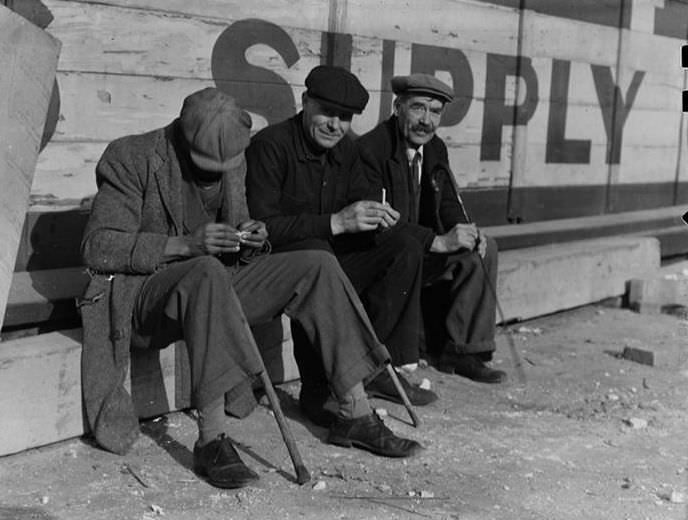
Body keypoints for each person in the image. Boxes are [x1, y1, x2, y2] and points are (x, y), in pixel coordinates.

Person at [79, 88, 423, 490]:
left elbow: (239, 230)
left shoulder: (234, 161)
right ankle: (211, 440)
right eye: (205, 166)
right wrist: (187, 244)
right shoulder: (132, 157)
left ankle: (354, 412)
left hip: (213, 288)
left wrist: (251, 238)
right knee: (204, 269)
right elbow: (97, 247)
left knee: (317, 263)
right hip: (146, 297)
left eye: (223, 167)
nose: (215, 175)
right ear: (181, 138)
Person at [245, 66, 437, 424]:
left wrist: (375, 213)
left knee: (405, 246)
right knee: (318, 261)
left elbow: (361, 194)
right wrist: (337, 222)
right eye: (327, 113)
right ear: (305, 103)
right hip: (279, 266)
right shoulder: (271, 146)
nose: (335, 125)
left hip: (328, 256)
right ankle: (316, 392)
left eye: (345, 118)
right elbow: (261, 227)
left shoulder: (346, 150)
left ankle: (370, 368)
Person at [357, 74, 506, 384]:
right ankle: (394, 366)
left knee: (483, 247)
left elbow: (448, 200)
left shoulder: (435, 147)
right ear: (398, 107)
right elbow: (381, 226)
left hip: (424, 250)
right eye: (418, 108)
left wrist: (462, 229)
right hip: (388, 258)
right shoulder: (372, 150)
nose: (426, 120)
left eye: (435, 112)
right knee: (410, 250)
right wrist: (437, 240)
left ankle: (464, 351)